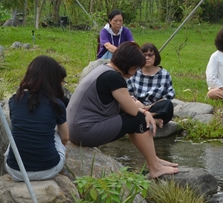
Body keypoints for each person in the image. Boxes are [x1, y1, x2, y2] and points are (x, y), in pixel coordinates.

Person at [68, 42, 179, 178]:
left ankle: (153, 159)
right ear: (129, 65)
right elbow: (133, 111)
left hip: (75, 129)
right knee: (138, 119)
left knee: (137, 117)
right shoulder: (113, 77)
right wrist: (145, 113)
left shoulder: (104, 69)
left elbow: (125, 105)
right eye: (135, 68)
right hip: (84, 132)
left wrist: (144, 111)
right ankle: (155, 167)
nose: (135, 72)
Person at [4, 56, 70, 182]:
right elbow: (65, 137)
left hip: (16, 171)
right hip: (48, 170)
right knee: (55, 133)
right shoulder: (56, 103)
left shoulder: (14, 100)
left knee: (16, 135)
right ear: (55, 78)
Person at [127, 42, 175, 128]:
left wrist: (149, 107)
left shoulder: (164, 74)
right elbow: (127, 93)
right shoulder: (135, 72)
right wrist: (137, 102)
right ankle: (152, 119)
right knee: (124, 106)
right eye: (144, 55)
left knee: (168, 105)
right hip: (137, 106)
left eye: (150, 55)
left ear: (155, 56)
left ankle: (147, 116)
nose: (147, 58)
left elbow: (169, 95)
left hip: (155, 107)